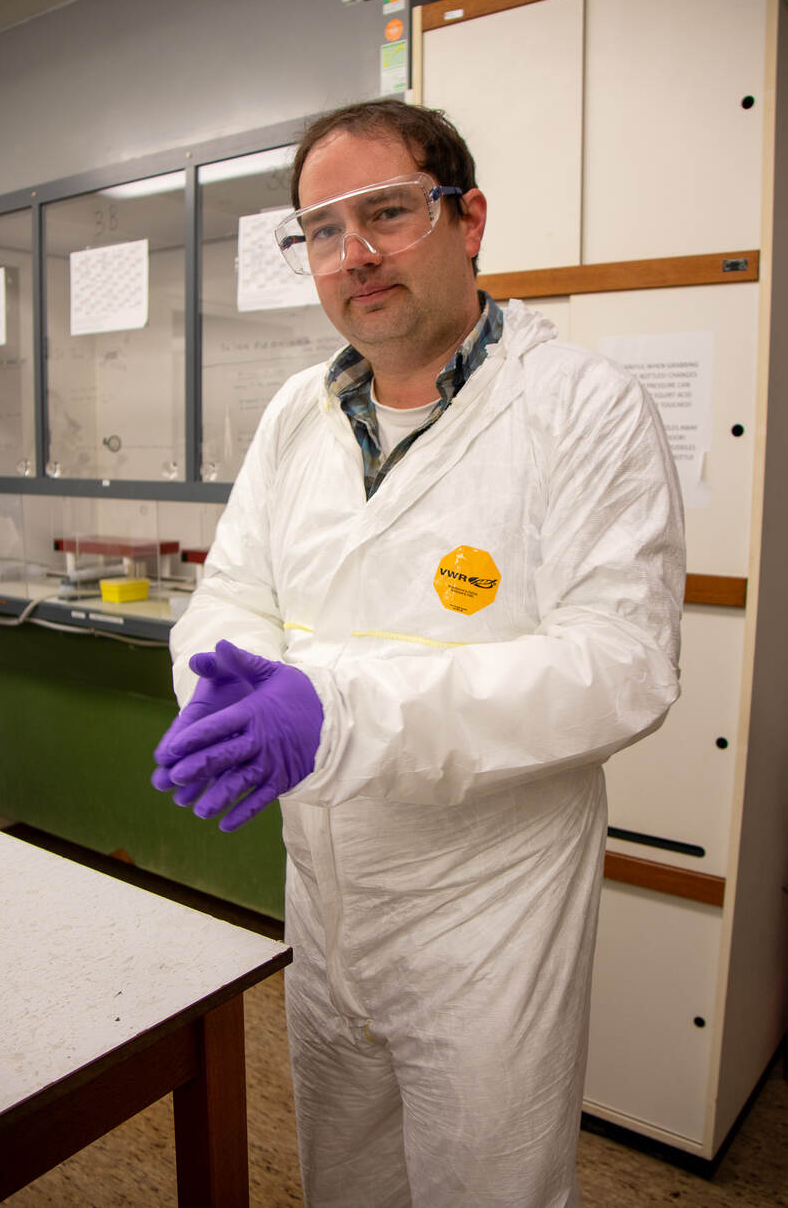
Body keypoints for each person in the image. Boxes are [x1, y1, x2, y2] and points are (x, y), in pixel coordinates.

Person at [152, 99, 685, 1207]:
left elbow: (618, 665)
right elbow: (235, 591)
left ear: (467, 217)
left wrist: (336, 714)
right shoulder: (299, 413)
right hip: (326, 893)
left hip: (487, 911)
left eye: (388, 211)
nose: (356, 254)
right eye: (322, 230)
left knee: (484, 1185)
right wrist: (223, 688)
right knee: (343, 1177)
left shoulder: (581, 409)